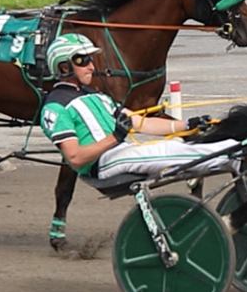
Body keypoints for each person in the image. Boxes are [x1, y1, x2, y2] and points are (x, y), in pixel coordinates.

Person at [39, 31, 180, 244]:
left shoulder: (96, 96)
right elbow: (75, 158)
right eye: (82, 60)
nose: (92, 66)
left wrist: (188, 126)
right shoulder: (55, 108)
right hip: (108, 163)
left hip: (126, 151)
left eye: (90, 60)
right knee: (176, 151)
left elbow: (141, 122)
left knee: (180, 145)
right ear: (64, 67)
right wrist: (115, 137)